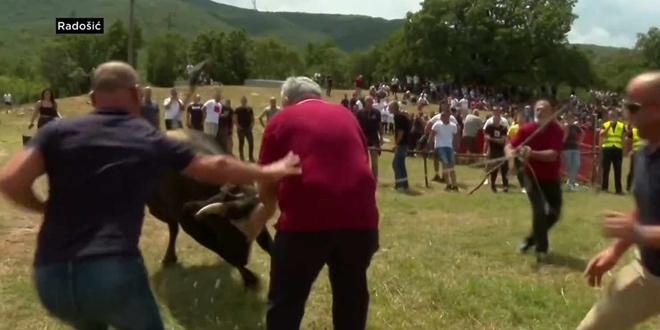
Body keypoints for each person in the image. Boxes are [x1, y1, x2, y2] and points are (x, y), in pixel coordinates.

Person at [0, 61, 301, 330]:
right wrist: (271, 170)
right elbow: (217, 165)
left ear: (92, 98)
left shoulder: (58, 132)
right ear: (134, 93)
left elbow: (11, 181)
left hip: (51, 277)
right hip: (110, 269)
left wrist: (43, 207)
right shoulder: (145, 138)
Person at [239, 76, 378, 330]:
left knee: (285, 302)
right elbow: (361, 162)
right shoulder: (347, 115)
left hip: (305, 224)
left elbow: (267, 180)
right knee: (351, 296)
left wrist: (263, 213)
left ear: (287, 101)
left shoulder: (281, 119)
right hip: (361, 222)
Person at [577, 72, 660, 330]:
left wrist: (640, 233)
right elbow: (644, 207)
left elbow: (640, 227)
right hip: (650, 273)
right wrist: (615, 251)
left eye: (633, 107)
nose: (625, 112)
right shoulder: (645, 153)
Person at [506, 100, 564, 259]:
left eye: (544, 110)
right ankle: (541, 249)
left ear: (552, 112)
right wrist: (511, 154)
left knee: (555, 213)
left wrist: (531, 153)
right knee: (538, 211)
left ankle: (530, 240)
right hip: (531, 177)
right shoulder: (526, 130)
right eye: (537, 110)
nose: (539, 112)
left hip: (551, 177)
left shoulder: (557, 130)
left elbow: (553, 155)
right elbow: (510, 145)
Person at [428, 110, 459, 191]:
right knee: (445, 165)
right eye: (441, 115)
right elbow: (431, 137)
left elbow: (455, 138)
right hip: (440, 147)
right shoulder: (437, 125)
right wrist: (431, 148)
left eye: (443, 115)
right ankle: (448, 184)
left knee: (451, 167)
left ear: (448, 116)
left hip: (449, 147)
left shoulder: (453, 126)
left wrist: (455, 149)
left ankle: (454, 184)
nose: (441, 117)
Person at [599, 109, 626, 194]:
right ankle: (604, 188)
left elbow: (623, 138)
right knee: (606, 169)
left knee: (618, 170)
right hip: (607, 149)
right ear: (608, 116)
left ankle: (618, 189)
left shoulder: (622, 126)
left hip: (617, 149)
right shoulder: (605, 125)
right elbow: (602, 134)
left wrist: (624, 149)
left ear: (617, 117)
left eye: (613, 115)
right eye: (610, 115)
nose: (612, 117)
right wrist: (609, 127)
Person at [356, 96, 383, 179]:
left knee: (374, 159)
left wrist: (381, 136)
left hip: (374, 138)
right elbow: (357, 124)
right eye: (367, 101)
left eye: (371, 101)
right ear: (365, 102)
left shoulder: (377, 112)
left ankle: (375, 177)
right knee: (364, 159)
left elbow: (379, 125)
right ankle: (365, 176)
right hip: (363, 138)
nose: (369, 103)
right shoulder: (360, 112)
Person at [484, 115, 509, 193]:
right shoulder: (489, 128)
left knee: (504, 169)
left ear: (499, 120)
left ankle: (505, 186)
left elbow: (503, 141)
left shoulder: (503, 128)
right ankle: (493, 186)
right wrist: (496, 140)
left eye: (497, 119)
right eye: (494, 119)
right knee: (494, 169)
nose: (495, 121)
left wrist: (492, 139)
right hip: (493, 151)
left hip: (502, 151)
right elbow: (487, 139)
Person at [390, 101, 410, 190]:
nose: (389, 108)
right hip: (405, 143)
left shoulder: (398, 117)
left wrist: (396, 144)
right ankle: (404, 184)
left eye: (390, 107)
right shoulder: (400, 116)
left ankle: (400, 185)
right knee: (401, 164)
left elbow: (400, 132)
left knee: (396, 164)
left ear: (395, 107)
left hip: (402, 143)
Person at [562, 112, 584, 191]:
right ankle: (571, 183)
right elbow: (562, 137)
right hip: (566, 148)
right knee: (569, 166)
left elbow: (582, 133)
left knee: (576, 164)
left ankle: (570, 182)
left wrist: (580, 142)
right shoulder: (563, 126)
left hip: (575, 147)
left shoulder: (574, 127)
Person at [508, 112, 528, 193]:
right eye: (519, 118)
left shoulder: (528, 128)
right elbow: (509, 138)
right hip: (516, 151)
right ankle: (523, 186)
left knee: (526, 169)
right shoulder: (513, 128)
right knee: (519, 169)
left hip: (525, 151)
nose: (520, 120)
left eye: (522, 118)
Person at [234, 96, 255, 162]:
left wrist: (251, 125)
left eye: (245, 100)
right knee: (241, 143)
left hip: (248, 128)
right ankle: (241, 157)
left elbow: (252, 118)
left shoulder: (249, 109)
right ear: (241, 101)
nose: (244, 102)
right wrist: (238, 126)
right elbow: (235, 118)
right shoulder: (238, 109)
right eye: (243, 100)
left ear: (246, 101)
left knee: (251, 143)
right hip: (241, 129)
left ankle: (251, 157)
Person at [626, 123, 643, 192]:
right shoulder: (633, 131)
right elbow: (628, 141)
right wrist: (629, 151)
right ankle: (628, 187)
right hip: (635, 153)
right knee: (632, 170)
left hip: (643, 154)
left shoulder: (646, 131)